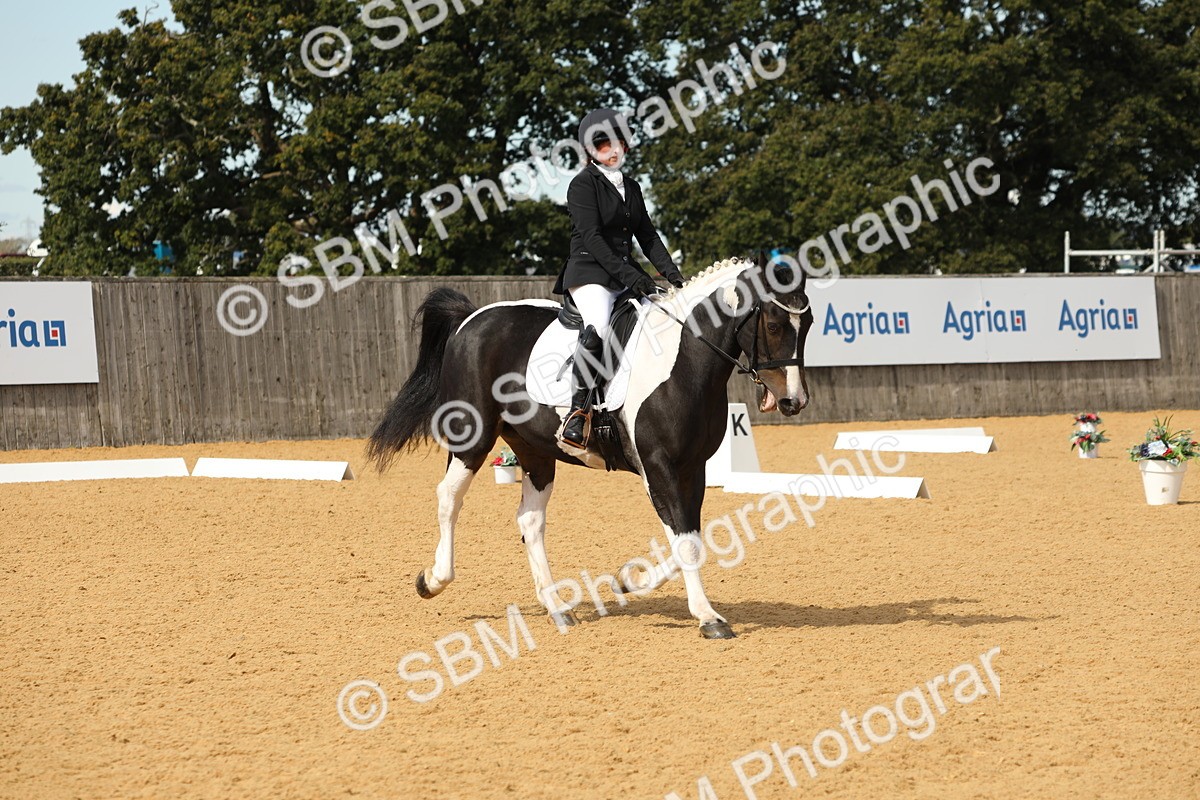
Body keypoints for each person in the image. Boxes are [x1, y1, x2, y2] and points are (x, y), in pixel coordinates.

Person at [552, 108, 685, 449]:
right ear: (590, 150)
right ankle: (577, 412)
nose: (610, 151)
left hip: (623, 275)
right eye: (602, 145)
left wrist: (674, 277)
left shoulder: (632, 187)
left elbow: (649, 237)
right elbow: (593, 239)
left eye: (616, 143)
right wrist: (632, 276)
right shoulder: (582, 186)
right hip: (589, 273)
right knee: (598, 326)